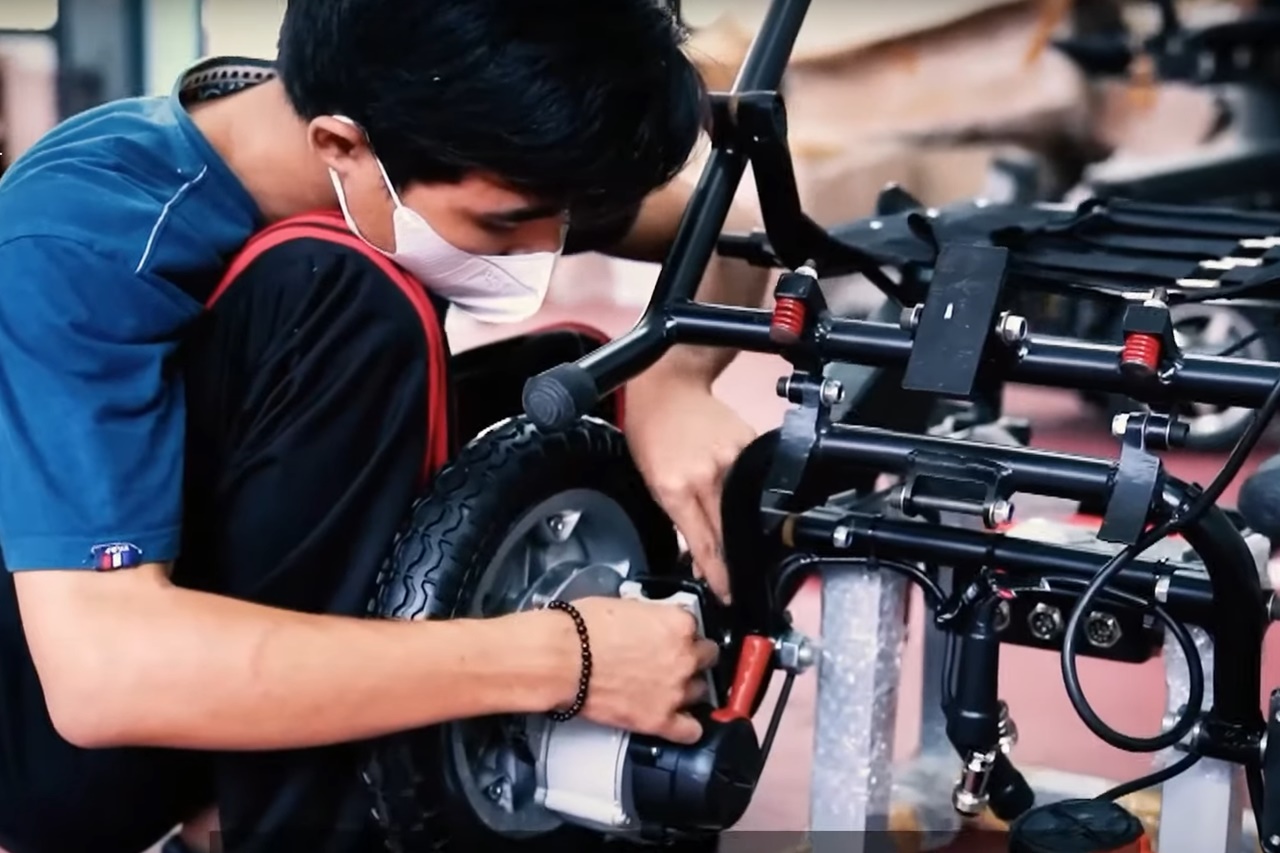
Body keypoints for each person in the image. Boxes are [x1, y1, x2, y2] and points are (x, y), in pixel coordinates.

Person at [0, 2, 769, 852]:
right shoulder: (77, 240)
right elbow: (101, 679)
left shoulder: (426, 135)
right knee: (343, 294)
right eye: (508, 225)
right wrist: (569, 658)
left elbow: (724, 229)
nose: (542, 253)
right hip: (60, 725)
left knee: (573, 372)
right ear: (339, 147)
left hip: (203, 605)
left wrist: (671, 383)